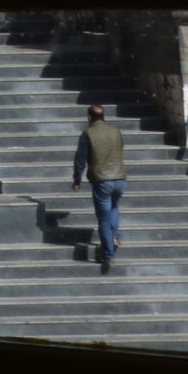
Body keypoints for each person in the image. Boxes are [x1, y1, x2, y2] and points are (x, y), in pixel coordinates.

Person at [70, 103, 128, 273]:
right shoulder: (116, 131)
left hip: (102, 180)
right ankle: (114, 236)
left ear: (89, 118)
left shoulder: (88, 133)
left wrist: (77, 179)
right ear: (104, 117)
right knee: (114, 207)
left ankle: (108, 256)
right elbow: (121, 148)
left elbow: (80, 159)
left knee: (103, 218)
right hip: (120, 178)